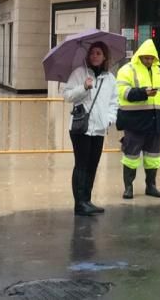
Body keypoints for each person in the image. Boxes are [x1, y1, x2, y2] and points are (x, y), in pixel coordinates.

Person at [62, 42, 118, 216]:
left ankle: (87, 200)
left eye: (99, 53)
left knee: (92, 165)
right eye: (92, 53)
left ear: (105, 57)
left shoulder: (110, 78)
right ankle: (79, 204)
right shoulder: (80, 73)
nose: (95, 56)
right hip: (81, 128)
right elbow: (67, 95)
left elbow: (114, 102)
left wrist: (109, 120)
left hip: (99, 129)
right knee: (81, 164)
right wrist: (84, 87)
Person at [115, 39, 160, 200]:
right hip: (134, 122)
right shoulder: (127, 70)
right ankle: (128, 187)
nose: (148, 60)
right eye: (146, 57)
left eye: (151, 58)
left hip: (155, 122)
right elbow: (122, 93)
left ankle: (151, 186)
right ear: (139, 55)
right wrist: (143, 93)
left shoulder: (159, 72)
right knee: (131, 156)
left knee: (153, 157)